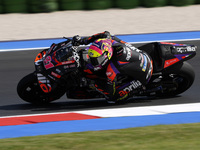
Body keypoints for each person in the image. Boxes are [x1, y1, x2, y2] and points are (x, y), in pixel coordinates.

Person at [72, 31, 153, 102]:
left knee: (113, 98)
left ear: (107, 54)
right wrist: (83, 41)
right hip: (142, 54)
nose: (94, 63)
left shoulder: (111, 69)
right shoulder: (109, 41)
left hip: (144, 74)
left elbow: (110, 92)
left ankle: (135, 91)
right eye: (92, 59)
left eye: (97, 60)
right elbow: (105, 33)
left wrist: (93, 84)